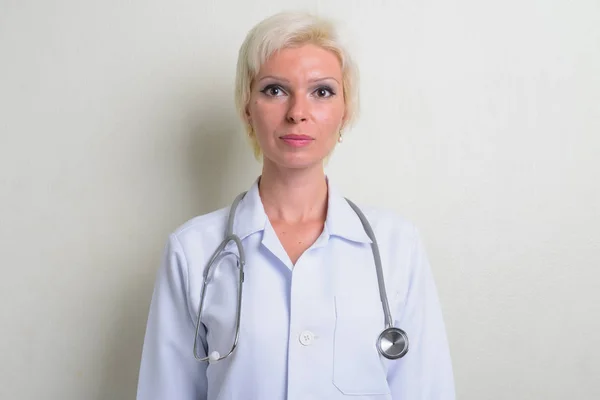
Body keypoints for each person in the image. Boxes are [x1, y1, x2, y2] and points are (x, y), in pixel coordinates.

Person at [136, 11, 455, 400]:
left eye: (322, 91)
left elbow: (426, 389)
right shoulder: (192, 251)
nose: (297, 112)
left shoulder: (396, 246)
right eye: (274, 90)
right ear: (246, 109)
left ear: (346, 112)